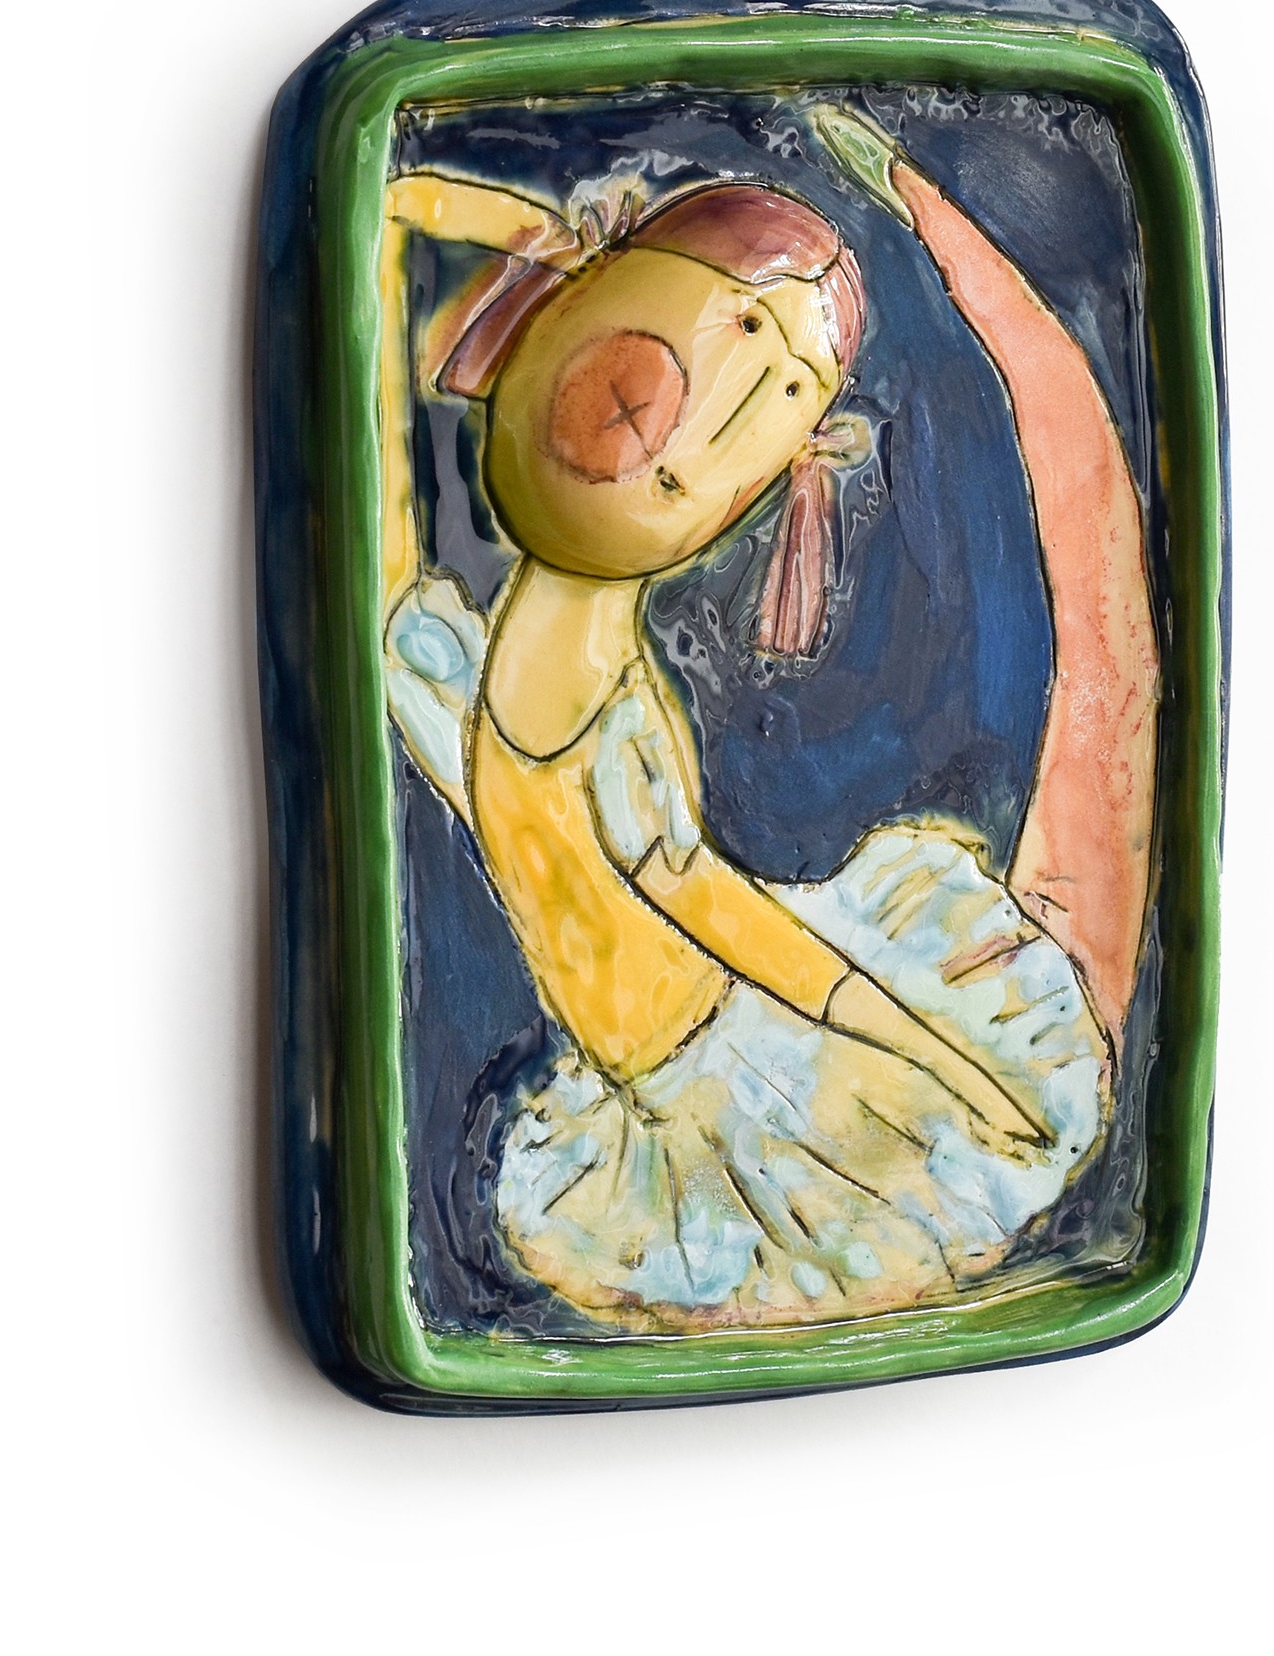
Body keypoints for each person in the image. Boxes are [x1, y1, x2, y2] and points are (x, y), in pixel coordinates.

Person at [376, 105, 1158, 1330]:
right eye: (733, 334)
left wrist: (938, 1055)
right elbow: (376, 452)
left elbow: (723, 915)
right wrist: (447, 222)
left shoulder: (589, 719)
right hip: (674, 1099)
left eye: (776, 394)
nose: (675, 422)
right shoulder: (450, 670)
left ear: (738, 501)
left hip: (757, 1090)